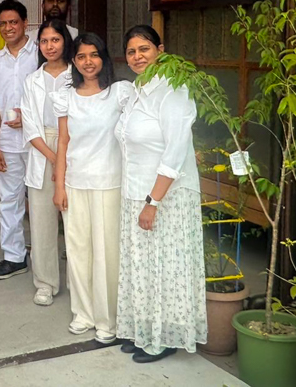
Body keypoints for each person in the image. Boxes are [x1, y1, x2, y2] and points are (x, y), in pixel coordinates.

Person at [116, 25, 206, 363]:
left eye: (144, 49)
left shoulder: (174, 89)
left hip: (164, 198)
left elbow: (175, 151)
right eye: (131, 52)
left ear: (160, 50)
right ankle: (143, 331)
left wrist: (153, 202)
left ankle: (164, 337)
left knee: (165, 270)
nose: (137, 57)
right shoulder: (138, 90)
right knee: (143, 268)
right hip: (135, 193)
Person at [52, 32, 133, 345]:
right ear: (74, 60)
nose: (88, 62)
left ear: (104, 57)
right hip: (76, 183)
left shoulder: (120, 92)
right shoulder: (66, 95)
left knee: (107, 253)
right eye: (81, 56)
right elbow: (63, 141)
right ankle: (83, 314)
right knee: (79, 251)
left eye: (94, 55)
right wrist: (60, 186)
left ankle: (107, 318)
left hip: (110, 183)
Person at [0, 0, 38, 279]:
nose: (8, 27)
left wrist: (29, 120)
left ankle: (43, 254)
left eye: (13, 22)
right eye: (3, 23)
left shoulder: (41, 54)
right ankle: (15, 257)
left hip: (39, 142)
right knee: (9, 201)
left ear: (25, 23)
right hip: (6, 142)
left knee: (41, 201)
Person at [20, 18, 74, 307]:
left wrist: (64, 161)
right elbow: (30, 127)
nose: (49, 46)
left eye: (55, 39)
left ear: (65, 41)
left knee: (75, 222)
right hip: (43, 151)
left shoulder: (77, 74)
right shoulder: (32, 80)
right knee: (41, 222)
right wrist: (55, 162)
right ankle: (45, 283)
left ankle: (79, 283)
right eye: (44, 41)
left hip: (74, 148)